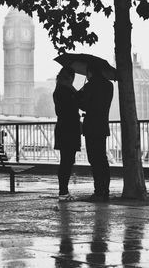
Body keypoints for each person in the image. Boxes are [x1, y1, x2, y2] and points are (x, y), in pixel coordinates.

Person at [78, 64, 113, 202]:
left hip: (91, 125)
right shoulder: (109, 86)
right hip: (102, 125)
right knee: (103, 159)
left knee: (93, 159)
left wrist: (80, 93)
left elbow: (84, 105)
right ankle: (105, 190)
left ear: (90, 72)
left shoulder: (90, 86)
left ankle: (98, 190)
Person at [53, 67, 81, 202]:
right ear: (69, 78)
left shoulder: (59, 90)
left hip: (63, 128)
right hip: (69, 129)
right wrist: (77, 93)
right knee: (67, 162)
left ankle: (63, 190)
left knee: (66, 160)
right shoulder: (66, 91)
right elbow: (75, 106)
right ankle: (63, 191)